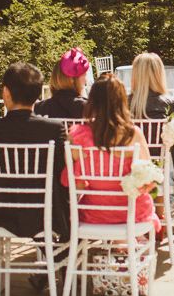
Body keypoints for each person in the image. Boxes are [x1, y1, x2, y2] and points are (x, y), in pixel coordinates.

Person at [0, 63, 70, 242]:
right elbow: (61, 173)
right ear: (38, 94)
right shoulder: (54, 129)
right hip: (46, 214)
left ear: (6, 92)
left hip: (1, 215)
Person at [61, 75, 160, 232]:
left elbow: (75, 183)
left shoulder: (77, 135)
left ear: (92, 101)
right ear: (122, 101)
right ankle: (127, 243)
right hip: (132, 212)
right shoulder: (133, 134)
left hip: (94, 212)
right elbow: (148, 179)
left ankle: (117, 244)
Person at [129, 53, 174, 214]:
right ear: (159, 74)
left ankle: (146, 215)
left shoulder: (123, 103)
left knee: (151, 165)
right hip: (166, 168)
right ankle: (158, 216)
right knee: (166, 160)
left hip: (130, 166)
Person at [34, 48, 90, 119]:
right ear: (72, 79)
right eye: (84, 75)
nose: (86, 80)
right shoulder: (88, 109)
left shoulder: (39, 108)